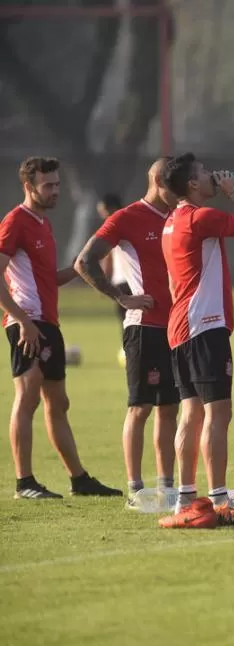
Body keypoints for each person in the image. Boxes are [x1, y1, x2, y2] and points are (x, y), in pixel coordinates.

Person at [0, 156, 121, 499]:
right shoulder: (15, 222)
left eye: (57, 184)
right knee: (27, 397)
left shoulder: (42, 224)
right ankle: (24, 483)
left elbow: (48, 280)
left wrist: (82, 266)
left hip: (48, 323)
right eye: (48, 185)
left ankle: (79, 479)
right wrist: (22, 321)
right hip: (27, 322)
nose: (55, 191)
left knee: (58, 403)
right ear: (29, 186)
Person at [74, 158, 180, 510]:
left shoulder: (180, 215)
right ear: (154, 180)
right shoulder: (127, 218)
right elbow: (84, 262)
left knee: (169, 409)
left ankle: (167, 486)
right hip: (144, 328)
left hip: (177, 328)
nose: (176, 192)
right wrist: (121, 296)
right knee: (140, 408)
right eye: (171, 184)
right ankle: (136, 488)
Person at [157, 153, 234, 529]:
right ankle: (217, 497)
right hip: (205, 326)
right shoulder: (200, 217)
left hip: (180, 328)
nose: (212, 177)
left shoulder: (172, 221)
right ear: (192, 184)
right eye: (204, 174)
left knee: (191, 411)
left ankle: (184, 496)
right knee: (218, 413)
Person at [95, 193, 129, 329]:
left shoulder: (116, 226)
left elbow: (106, 257)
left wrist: (102, 281)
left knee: (128, 325)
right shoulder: (126, 223)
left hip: (127, 282)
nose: (103, 216)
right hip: (122, 283)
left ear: (113, 208)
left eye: (104, 212)